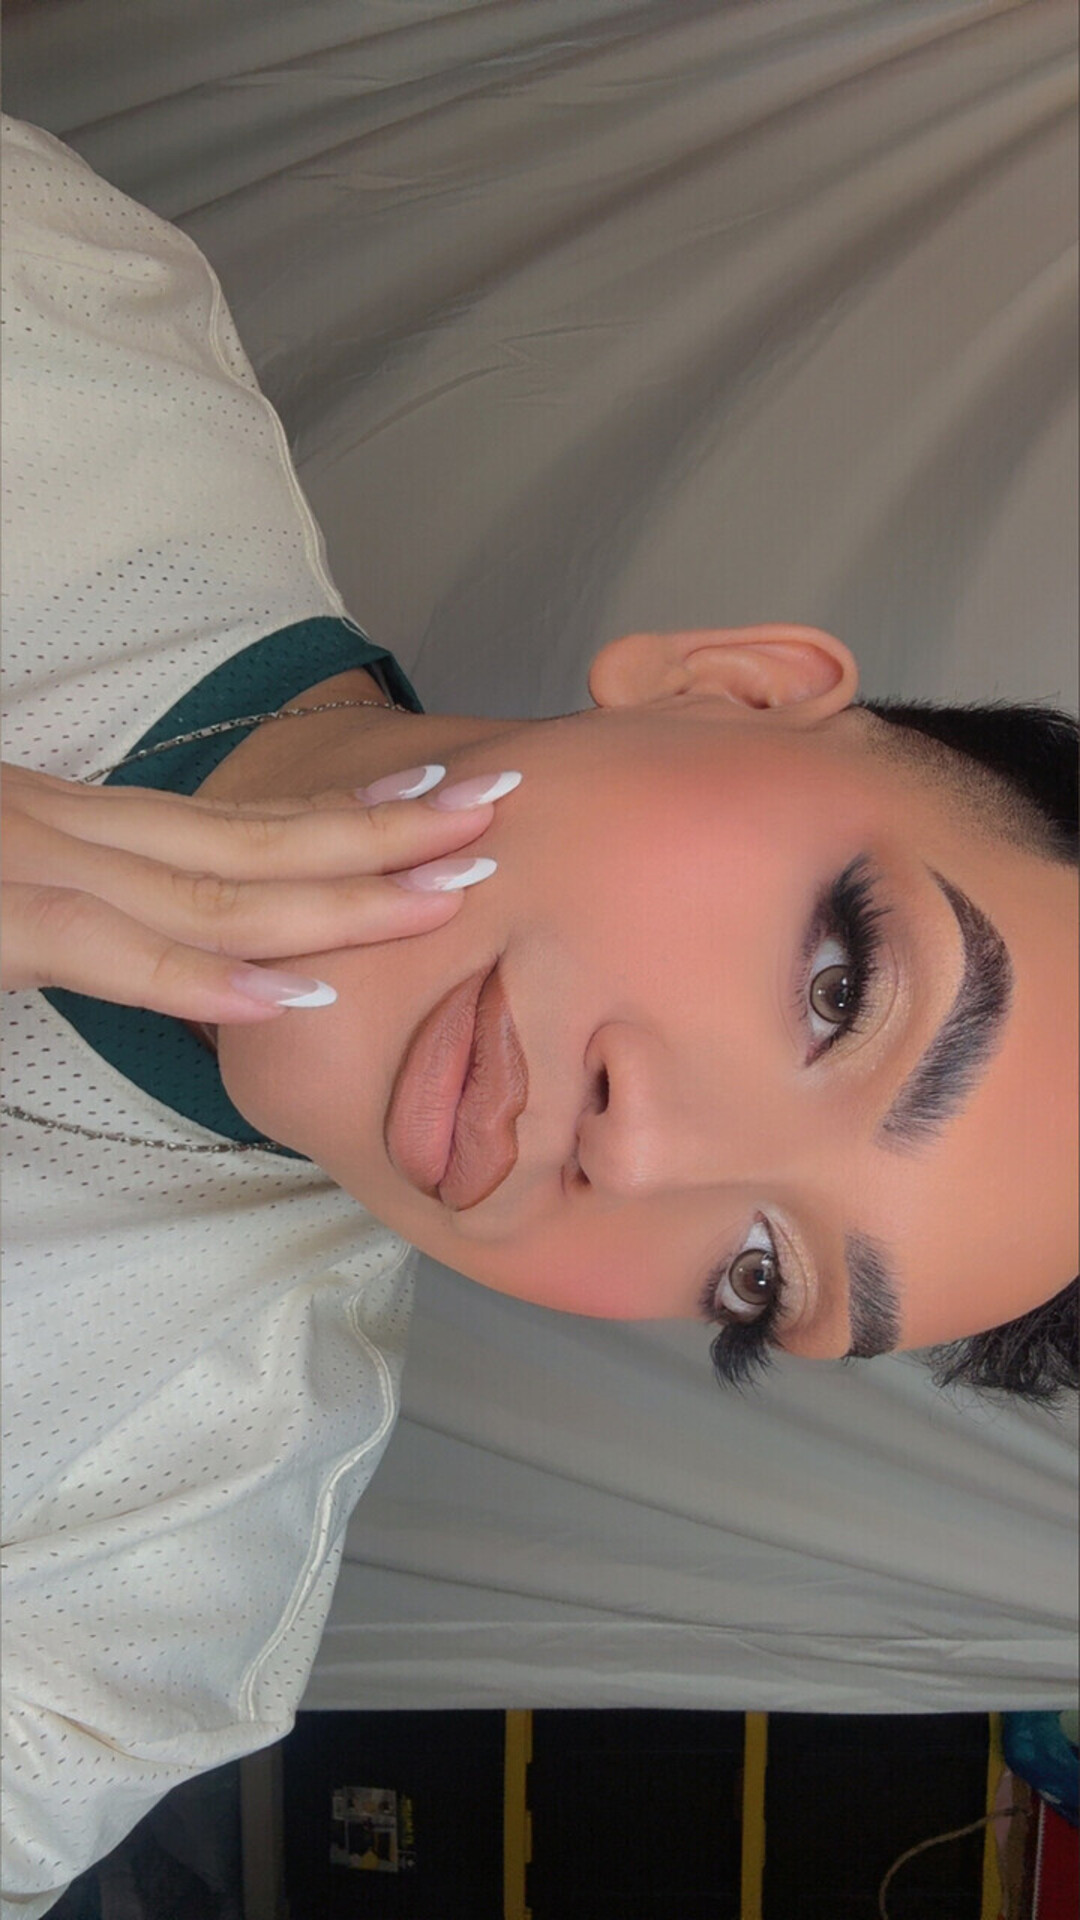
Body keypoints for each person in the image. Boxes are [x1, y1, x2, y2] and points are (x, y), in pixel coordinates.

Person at [2, 113, 1076, 1916]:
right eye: (841, 988)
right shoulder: (47, 319)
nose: (641, 1158)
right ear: (731, 688)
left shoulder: (110, 1615)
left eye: (761, 1272)